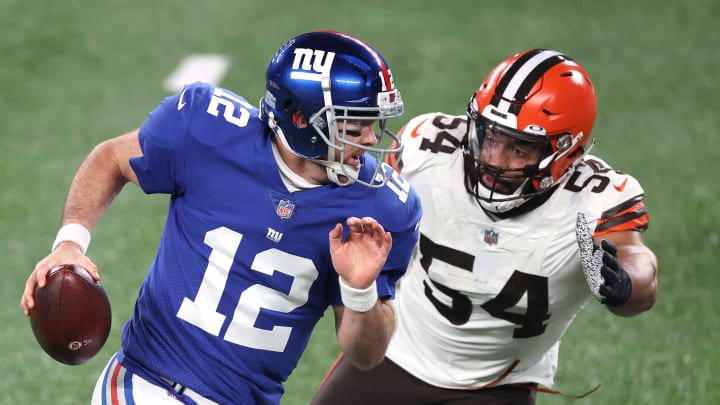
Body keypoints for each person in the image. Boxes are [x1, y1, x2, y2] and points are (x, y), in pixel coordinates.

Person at [21, 30, 422, 405]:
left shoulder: (381, 207)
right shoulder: (206, 129)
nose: (370, 140)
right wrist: (70, 243)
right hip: (148, 382)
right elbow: (111, 159)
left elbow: (365, 355)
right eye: (356, 124)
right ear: (302, 120)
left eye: (372, 124)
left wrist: (360, 290)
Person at [312, 48, 658, 405]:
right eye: (490, 137)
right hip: (392, 355)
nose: (493, 159)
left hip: (494, 386)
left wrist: (626, 283)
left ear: (565, 152)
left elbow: (637, 262)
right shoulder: (427, 147)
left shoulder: (594, 198)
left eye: (519, 149)